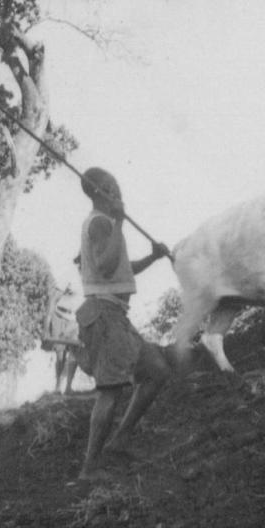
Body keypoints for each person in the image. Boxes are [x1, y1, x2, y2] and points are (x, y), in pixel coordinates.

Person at [74, 167, 172, 479]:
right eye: (110, 189)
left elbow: (121, 269)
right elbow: (105, 266)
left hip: (115, 314)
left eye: (116, 186)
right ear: (97, 193)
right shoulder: (103, 222)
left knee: (155, 370)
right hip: (105, 317)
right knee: (110, 391)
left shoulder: (106, 225)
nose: (117, 193)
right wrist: (117, 220)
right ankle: (89, 469)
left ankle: (119, 442)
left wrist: (153, 258)